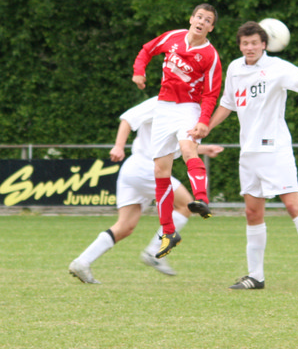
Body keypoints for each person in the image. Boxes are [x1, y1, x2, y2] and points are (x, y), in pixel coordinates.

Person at [207, 21, 298, 291]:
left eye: (254, 43)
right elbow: (228, 103)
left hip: (275, 150)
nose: (249, 47)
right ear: (240, 46)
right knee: (252, 213)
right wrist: (207, 128)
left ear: (264, 44)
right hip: (249, 153)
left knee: (293, 207)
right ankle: (256, 276)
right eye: (245, 43)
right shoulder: (235, 68)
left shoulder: (277, 67)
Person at [68, 96, 224, 284]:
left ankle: (82, 262)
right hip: (145, 166)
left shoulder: (188, 109)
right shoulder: (162, 102)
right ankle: (154, 251)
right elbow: (128, 119)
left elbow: (177, 145)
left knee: (125, 227)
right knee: (185, 205)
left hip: (134, 168)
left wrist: (204, 149)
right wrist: (118, 146)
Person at [132, 3, 222, 259]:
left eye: (208, 20)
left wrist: (203, 120)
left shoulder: (210, 56)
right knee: (160, 171)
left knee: (187, 149)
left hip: (188, 108)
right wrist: (139, 72)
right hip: (163, 108)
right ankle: (168, 232)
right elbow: (147, 50)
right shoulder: (173, 37)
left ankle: (201, 199)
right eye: (199, 17)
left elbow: (211, 93)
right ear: (191, 19)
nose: (202, 22)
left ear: (211, 28)